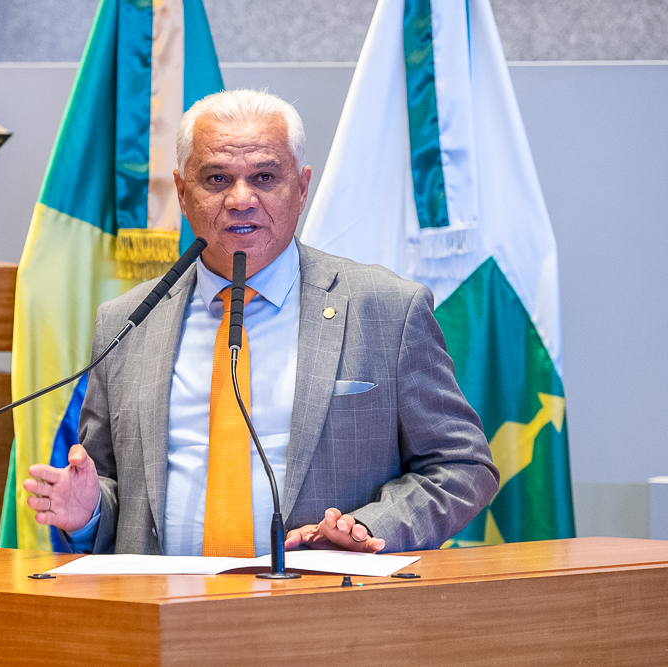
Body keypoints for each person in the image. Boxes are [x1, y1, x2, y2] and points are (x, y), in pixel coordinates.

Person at [24, 89, 499, 556]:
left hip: (322, 599)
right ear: (183, 193)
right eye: (216, 179)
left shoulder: (387, 310)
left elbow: (461, 466)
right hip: (161, 601)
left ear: (302, 188)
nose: (240, 199)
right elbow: (113, 492)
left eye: (265, 177)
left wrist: (367, 527)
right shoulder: (126, 322)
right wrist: (88, 511)